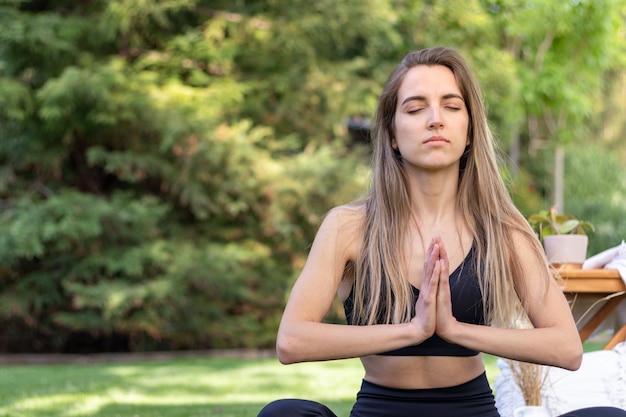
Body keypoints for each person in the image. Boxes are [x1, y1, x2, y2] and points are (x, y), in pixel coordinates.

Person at [257, 46, 626, 417]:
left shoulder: (503, 230)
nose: (435, 119)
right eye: (416, 108)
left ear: (468, 133)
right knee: (284, 413)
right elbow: (292, 340)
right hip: (380, 409)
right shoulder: (348, 227)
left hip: (472, 409)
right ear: (393, 136)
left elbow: (566, 347)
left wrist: (455, 330)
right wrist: (412, 331)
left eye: (451, 106)